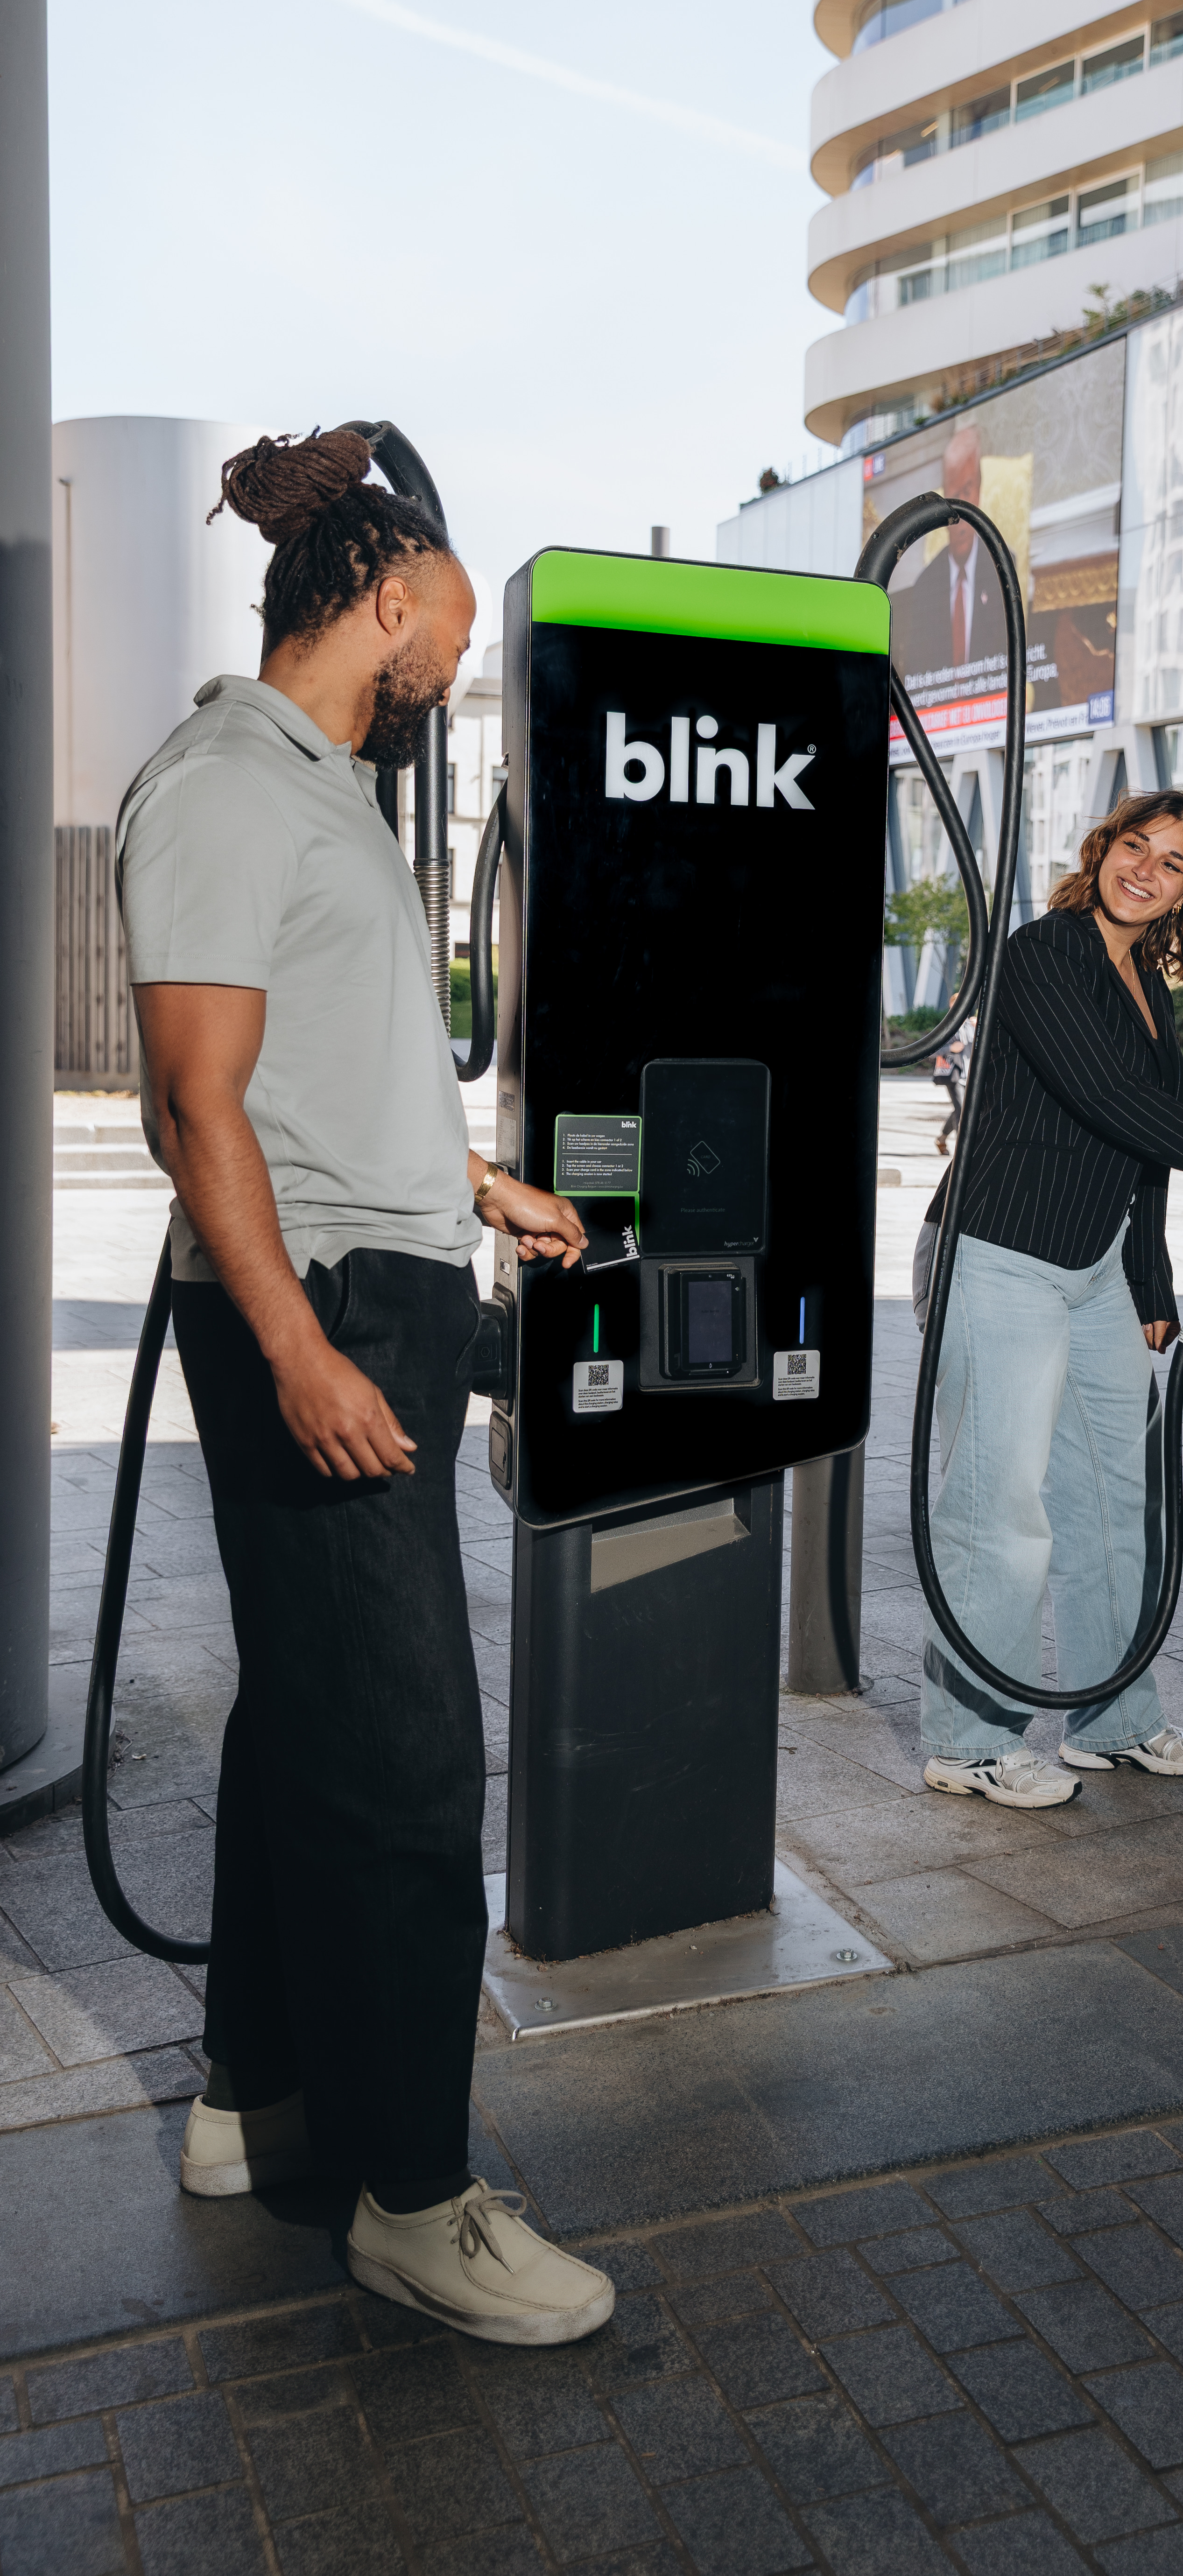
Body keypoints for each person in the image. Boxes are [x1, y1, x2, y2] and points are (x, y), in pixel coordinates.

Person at [116, 429, 614, 2348]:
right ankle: (419, 2201)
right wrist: (303, 1346)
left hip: (378, 1277)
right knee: (410, 1765)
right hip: (315, 1318)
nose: (447, 681)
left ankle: (254, 2099)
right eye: (447, 646)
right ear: (390, 592)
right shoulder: (230, 782)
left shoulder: (320, 794)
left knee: (309, 1726)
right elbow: (196, 1107)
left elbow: (323, 1082)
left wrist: (476, 1188)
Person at [919, 790, 1183, 1809]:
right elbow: (1104, 1102)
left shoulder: (1150, 987)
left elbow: (1136, 1152)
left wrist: (1150, 1283)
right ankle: (969, 1741)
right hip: (1000, 1250)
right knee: (998, 1505)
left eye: (1172, 864)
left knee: (1119, 1501)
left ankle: (1113, 1722)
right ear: (1101, 851)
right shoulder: (1042, 952)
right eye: (1134, 848)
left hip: (1098, 1265)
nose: (1145, 871)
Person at [891, 425, 1008, 687]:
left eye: (968, 492)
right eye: (953, 496)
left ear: (980, 490)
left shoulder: (1003, 567)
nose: (961, 511)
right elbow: (917, 678)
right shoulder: (925, 586)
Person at [936, 996, 974, 1158]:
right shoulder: (947, 1027)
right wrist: (951, 1047)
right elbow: (933, 1050)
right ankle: (962, 1150)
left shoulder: (971, 1026)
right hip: (954, 1075)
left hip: (970, 1075)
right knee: (962, 1110)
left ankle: (942, 1138)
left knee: (961, 1109)